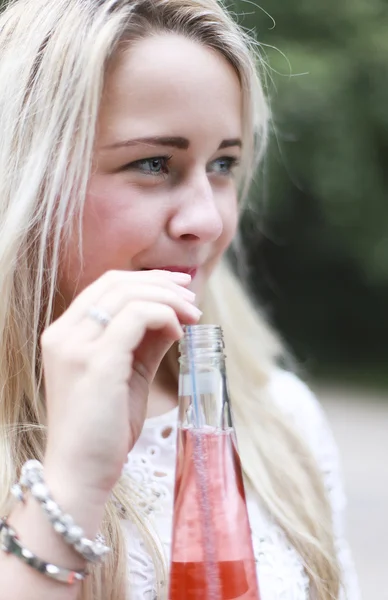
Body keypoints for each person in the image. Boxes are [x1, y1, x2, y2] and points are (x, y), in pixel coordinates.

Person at [0, 0, 359, 599]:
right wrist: (71, 485)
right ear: (27, 180)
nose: (207, 221)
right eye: (153, 163)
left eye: (223, 164)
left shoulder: (282, 421)